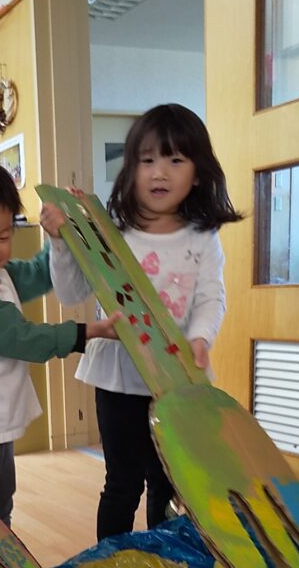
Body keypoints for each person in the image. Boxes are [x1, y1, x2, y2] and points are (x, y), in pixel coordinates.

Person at [47, 103, 242, 539]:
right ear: (130, 169)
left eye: (175, 160)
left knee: (169, 482)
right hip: (117, 377)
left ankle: (165, 558)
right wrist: (60, 242)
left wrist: (201, 337)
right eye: (147, 160)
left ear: (198, 172)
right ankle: (110, 563)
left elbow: (211, 297)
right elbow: (71, 293)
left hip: (175, 379)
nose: (159, 173)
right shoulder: (111, 231)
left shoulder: (202, 237)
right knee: (122, 483)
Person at [0, 160, 121, 526]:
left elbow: (38, 273)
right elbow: (21, 339)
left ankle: (4, 559)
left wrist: (59, 235)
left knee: (1, 508)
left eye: (4, 237)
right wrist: (89, 331)